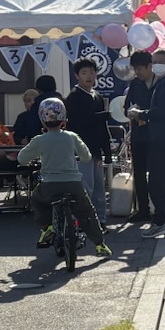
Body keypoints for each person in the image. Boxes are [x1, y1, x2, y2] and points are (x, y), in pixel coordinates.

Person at [19, 97, 110, 258]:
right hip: (73, 183)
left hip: (49, 185)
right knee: (87, 212)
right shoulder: (71, 137)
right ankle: (100, 245)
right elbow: (86, 156)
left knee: (37, 200)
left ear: (42, 120)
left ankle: (47, 227)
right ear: (64, 120)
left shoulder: (40, 140)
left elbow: (21, 158)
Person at [124, 49, 165, 230]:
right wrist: (133, 112)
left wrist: (142, 114)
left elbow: (161, 111)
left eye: (156, 62)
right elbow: (127, 106)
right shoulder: (140, 84)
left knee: (160, 180)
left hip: (162, 137)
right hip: (146, 135)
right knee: (149, 176)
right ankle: (161, 216)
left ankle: (162, 219)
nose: (138, 73)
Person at [64, 57, 113, 216]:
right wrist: (99, 117)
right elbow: (76, 124)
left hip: (96, 149)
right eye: (84, 73)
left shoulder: (97, 96)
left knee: (99, 188)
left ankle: (100, 221)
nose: (88, 76)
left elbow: (102, 125)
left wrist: (107, 151)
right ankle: (84, 222)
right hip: (81, 150)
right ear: (77, 76)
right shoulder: (74, 96)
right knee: (86, 187)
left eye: (92, 72)